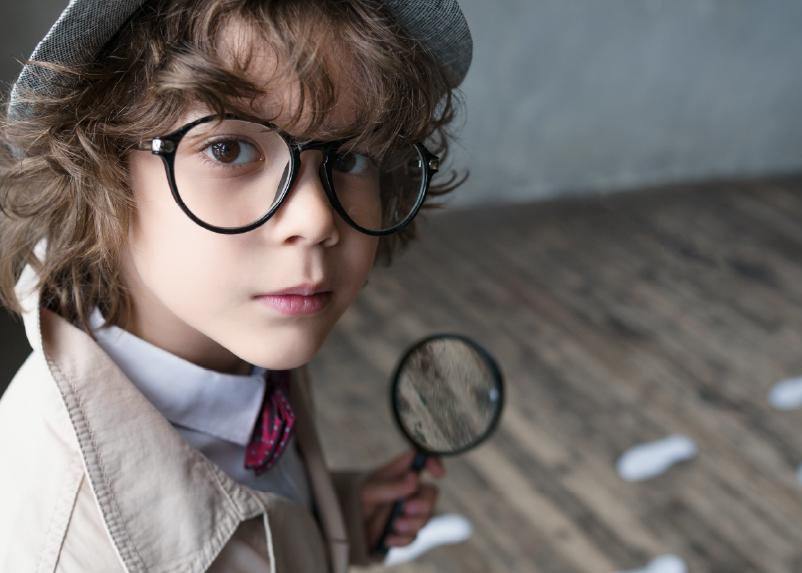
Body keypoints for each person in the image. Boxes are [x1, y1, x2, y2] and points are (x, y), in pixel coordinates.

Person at [0, 0, 471, 571]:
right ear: (101, 170)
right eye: (229, 149)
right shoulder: (70, 548)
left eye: (349, 157)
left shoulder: (233, 339)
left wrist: (335, 519)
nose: (317, 219)